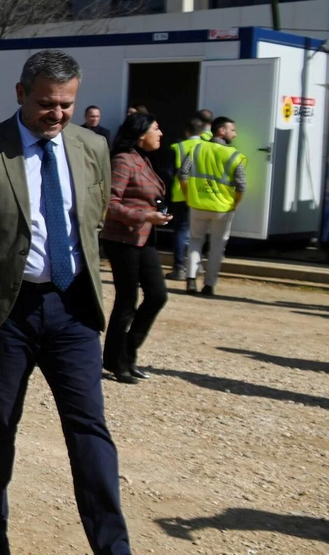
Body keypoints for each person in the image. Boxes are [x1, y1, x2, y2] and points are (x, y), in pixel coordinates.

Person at [0, 49, 171, 555]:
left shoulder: (92, 147)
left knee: (89, 426)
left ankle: (113, 552)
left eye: (66, 104)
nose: (58, 113)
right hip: (6, 312)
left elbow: (91, 220)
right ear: (21, 94)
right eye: (47, 103)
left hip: (72, 310)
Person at [101, 113, 173, 384]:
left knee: (157, 295)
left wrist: (157, 214)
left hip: (144, 239)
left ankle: (126, 353)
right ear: (142, 132)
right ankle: (119, 363)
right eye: (156, 128)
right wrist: (144, 216)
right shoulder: (123, 159)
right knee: (126, 302)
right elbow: (109, 202)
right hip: (123, 240)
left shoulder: (142, 158)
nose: (161, 133)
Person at [179, 115, 245, 297]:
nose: (235, 134)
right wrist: (235, 204)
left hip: (197, 204)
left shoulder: (197, 149)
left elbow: (183, 174)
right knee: (217, 246)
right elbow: (241, 185)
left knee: (195, 241)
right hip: (223, 208)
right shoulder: (234, 155)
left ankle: (191, 279)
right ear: (222, 131)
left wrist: (188, 196)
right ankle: (209, 285)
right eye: (233, 130)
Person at [167, 117, 209, 279]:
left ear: (187, 131)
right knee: (198, 233)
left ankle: (179, 268)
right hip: (203, 194)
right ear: (202, 132)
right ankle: (196, 266)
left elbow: (169, 173)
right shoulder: (209, 148)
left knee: (181, 230)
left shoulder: (177, 147)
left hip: (181, 194)